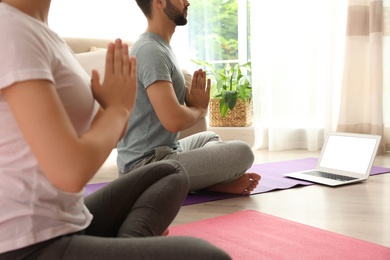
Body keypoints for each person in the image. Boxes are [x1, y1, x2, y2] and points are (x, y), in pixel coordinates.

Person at [0, 1, 231, 259]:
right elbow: (70, 171)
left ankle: (126, 245)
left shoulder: (42, 32)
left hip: (69, 217)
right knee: (207, 256)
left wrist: (112, 107)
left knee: (170, 172)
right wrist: (118, 109)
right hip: (26, 243)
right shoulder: (11, 30)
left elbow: (90, 137)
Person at [117, 0, 261, 195]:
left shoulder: (159, 46)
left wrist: (194, 106)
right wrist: (199, 109)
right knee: (243, 152)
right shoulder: (150, 51)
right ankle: (210, 182)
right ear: (159, 2)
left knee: (208, 137)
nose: (187, 2)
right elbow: (173, 120)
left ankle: (208, 182)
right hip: (144, 167)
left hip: (166, 152)